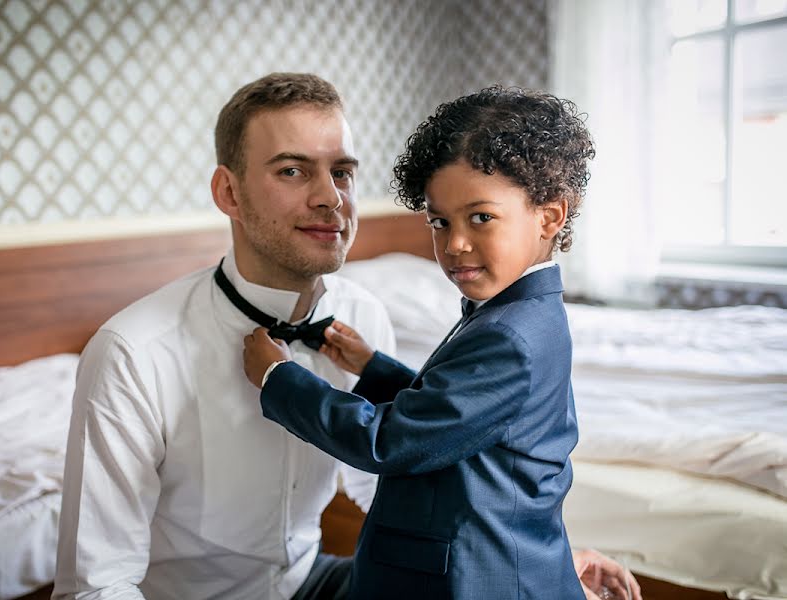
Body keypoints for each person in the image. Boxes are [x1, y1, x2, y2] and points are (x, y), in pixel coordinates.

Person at [54, 72, 639, 600]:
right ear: (229, 193)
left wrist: (540, 569)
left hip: (318, 580)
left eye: (342, 173)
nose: (330, 199)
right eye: (292, 170)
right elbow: (96, 586)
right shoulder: (133, 351)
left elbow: (408, 457)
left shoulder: (360, 312)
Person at [243, 85, 640, 600]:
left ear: (550, 215)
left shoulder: (511, 335)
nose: (454, 244)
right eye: (439, 221)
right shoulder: (518, 310)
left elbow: (390, 441)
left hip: (469, 579)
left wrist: (280, 380)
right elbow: (460, 416)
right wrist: (374, 367)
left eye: (481, 217)